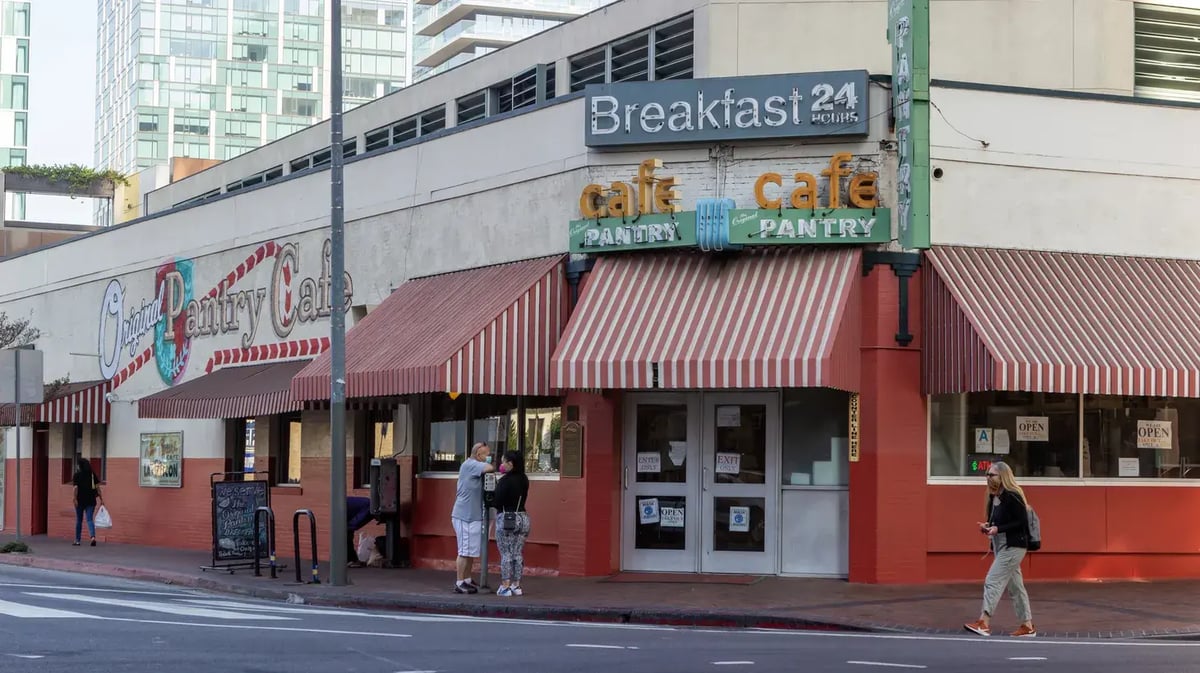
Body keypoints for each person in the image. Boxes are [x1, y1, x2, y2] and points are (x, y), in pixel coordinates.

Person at [964, 461, 1036, 637]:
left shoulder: (1013, 495)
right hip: (1000, 544)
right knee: (1016, 588)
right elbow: (997, 522)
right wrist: (988, 526)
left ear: (1003, 476)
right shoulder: (992, 497)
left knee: (992, 580)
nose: (988, 478)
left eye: (992, 475)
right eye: (987, 474)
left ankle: (984, 621)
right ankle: (1027, 626)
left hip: (1014, 545)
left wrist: (999, 529)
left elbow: (1020, 522)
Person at [451, 442, 494, 594]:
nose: (489, 457)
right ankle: (459, 582)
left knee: (470, 550)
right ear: (478, 454)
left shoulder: (475, 466)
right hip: (465, 515)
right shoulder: (470, 465)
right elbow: (490, 468)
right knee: (464, 550)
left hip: (474, 515)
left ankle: (467, 579)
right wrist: (490, 464)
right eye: (486, 454)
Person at [493, 450, 531, 597]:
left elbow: (497, 502)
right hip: (523, 518)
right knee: (517, 553)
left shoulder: (505, 481)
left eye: (504, 462)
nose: (502, 465)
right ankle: (517, 585)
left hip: (507, 519)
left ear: (511, 463)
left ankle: (505, 585)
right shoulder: (524, 479)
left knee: (506, 553)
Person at [72, 458, 102, 547]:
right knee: (89, 519)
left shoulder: (77, 475)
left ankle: (77, 540)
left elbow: (75, 488)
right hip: (91, 500)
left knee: (79, 520)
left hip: (80, 500)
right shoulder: (92, 475)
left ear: (80, 466)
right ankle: (92, 537)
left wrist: (74, 498)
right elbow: (98, 488)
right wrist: (102, 499)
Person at [346, 496, 376, 568]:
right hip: (367, 507)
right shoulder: (344, 504)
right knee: (347, 534)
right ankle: (351, 559)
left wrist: (350, 527)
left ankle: (352, 559)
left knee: (347, 533)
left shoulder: (343, 505)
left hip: (367, 508)